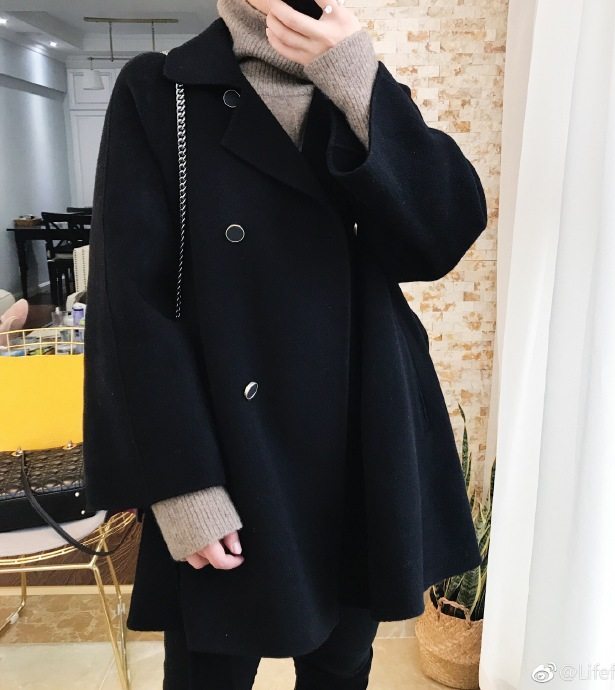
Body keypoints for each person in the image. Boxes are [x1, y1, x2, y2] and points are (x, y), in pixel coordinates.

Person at [82, 0, 488, 686]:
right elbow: (130, 307)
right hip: (226, 448)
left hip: (362, 442)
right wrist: (182, 487)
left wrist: (356, 78)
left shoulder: (357, 85)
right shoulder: (160, 90)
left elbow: (439, 236)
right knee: (208, 673)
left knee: (341, 667)